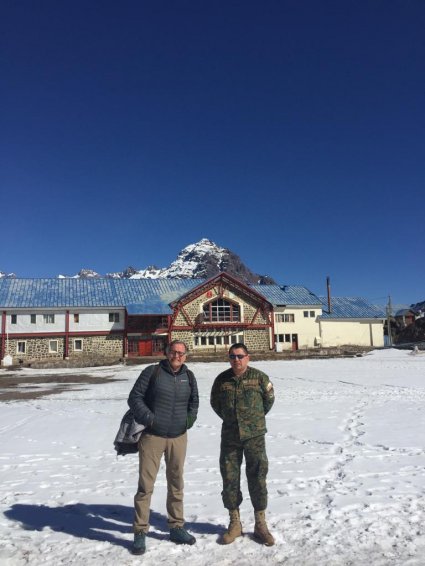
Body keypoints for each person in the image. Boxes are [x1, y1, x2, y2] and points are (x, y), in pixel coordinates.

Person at [128, 339, 199, 555]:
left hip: (178, 437)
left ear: (186, 356)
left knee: (176, 483)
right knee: (145, 486)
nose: (177, 356)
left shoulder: (189, 376)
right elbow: (135, 398)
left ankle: (176, 526)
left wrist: (188, 421)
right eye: (173, 352)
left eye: (181, 353)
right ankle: (140, 531)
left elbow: (194, 402)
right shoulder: (153, 372)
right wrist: (149, 419)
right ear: (166, 353)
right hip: (152, 437)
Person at [210, 343, 275, 546]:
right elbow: (215, 403)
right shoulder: (222, 380)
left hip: (254, 436)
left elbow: (268, 401)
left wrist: (252, 420)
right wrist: (232, 419)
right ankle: (234, 523)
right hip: (230, 436)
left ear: (248, 357)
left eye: (240, 356)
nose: (236, 360)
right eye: (232, 356)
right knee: (230, 477)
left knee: (257, 476)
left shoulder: (260, 378)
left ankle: (260, 524)